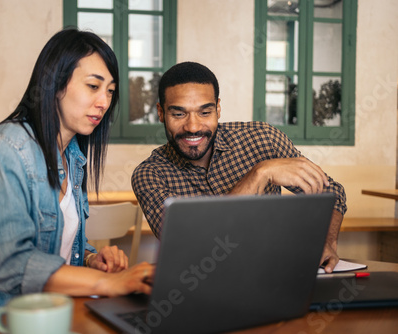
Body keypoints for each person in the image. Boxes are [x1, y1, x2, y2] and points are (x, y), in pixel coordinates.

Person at [0, 28, 153, 334]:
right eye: (93, 86)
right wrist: (108, 283)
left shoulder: (72, 156)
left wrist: (93, 259)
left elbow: (53, 246)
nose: (104, 102)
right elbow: (10, 264)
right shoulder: (8, 147)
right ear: (54, 84)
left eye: (110, 91)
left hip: (42, 318)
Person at [131, 61, 347, 274]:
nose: (193, 127)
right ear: (161, 113)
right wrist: (259, 175)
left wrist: (327, 242)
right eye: (179, 114)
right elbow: (193, 246)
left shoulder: (263, 139)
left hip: (275, 277)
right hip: (201, 291)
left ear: (218, 108)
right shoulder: (150, 175)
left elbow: (332, 191)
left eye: (205, 112)